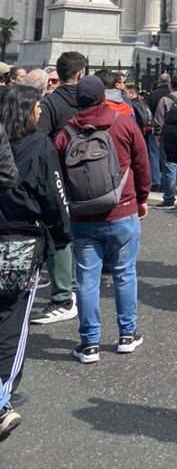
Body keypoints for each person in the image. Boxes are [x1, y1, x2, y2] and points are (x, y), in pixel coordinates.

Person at [53, 76, 151, 363]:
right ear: (104, 98)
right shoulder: (123, 123)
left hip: (82, 215)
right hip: (121, 209)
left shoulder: (65, 134)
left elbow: (58, 175)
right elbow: (142, 163)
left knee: (86, 278)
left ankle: (89, 342)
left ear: (76, 102)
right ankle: (126, 334)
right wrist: (142, 198)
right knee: (124, 272)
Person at [0, 86, 69, 442]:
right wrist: (62, 235)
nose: (41, 111)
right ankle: (1, 398)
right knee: (14, 321)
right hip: (21, 241)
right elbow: (52, 195)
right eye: (38, 105)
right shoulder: (39, 144)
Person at [31, 51, 86, 325]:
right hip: (91, 178)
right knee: (80, 233)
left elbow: (39, 141)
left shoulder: (51, 103)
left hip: (60, 175)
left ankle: (64, 295)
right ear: (81, 74)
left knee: (58, 233)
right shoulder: (91, 100)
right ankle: (76, 289)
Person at [154, 72, 177, 209]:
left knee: (170, 167)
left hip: (169, 137)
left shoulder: (165, 100)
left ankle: (169, 198)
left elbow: (159, 121)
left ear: (170, 86)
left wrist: (158, 136)